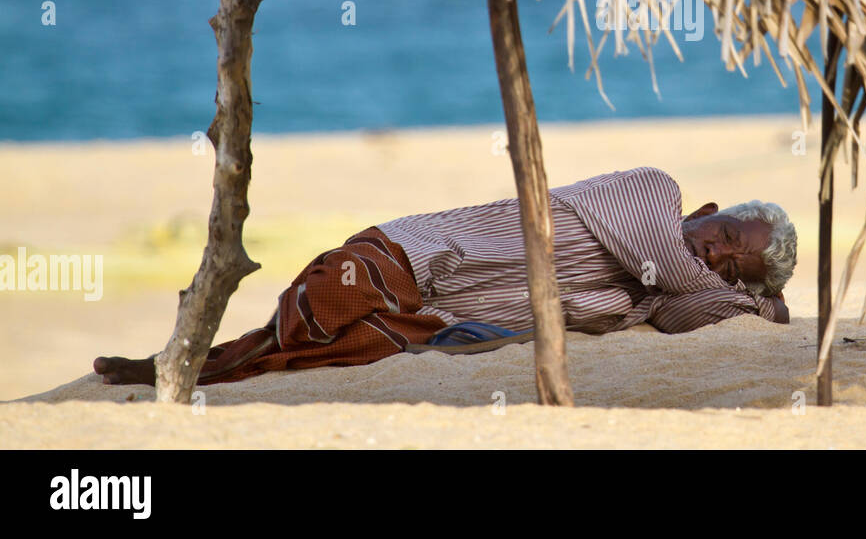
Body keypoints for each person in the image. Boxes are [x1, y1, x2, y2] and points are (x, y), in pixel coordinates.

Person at [93, 166, 796, 386]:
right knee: (320, 305)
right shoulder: (650, 193)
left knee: (331, 348)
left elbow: (687, 315)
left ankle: (184, 368)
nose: (715, 256)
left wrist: (757, 305)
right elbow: (683, 282)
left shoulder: (645, 297)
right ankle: (170, 366)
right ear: (706, 211)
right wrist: (754, 297)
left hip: (428, 315)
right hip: (402, 255)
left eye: (736, 267)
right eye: (725, 236)